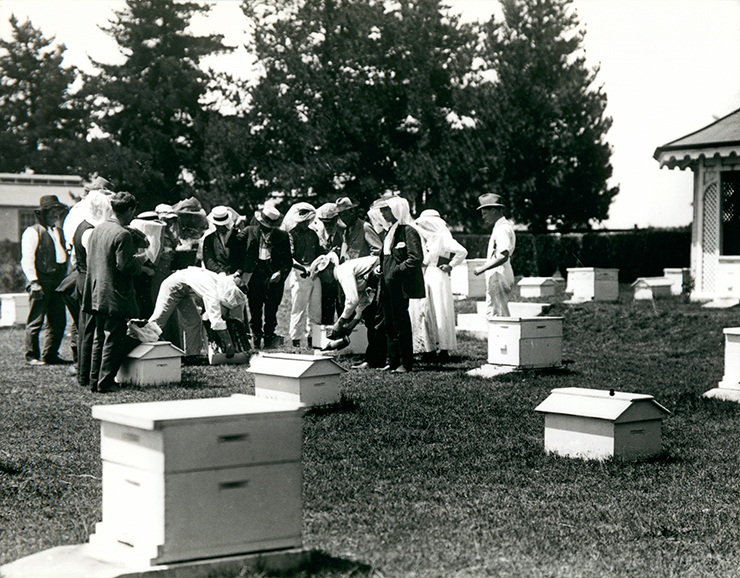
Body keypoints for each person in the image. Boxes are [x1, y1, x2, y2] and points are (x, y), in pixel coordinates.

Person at [82, 192, 153, 392]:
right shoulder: (122, 234)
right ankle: (105, 382)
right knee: (114, 338)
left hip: (96, 292)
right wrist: (142, 262)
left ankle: (94, 381)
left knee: (99, 339)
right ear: (130, 210)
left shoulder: (98, 229)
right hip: (114, 294)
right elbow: (125, 267)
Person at [132, 267, 248, 360]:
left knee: (193, 320)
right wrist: (228, 344)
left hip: (185, 289)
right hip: (173, 285)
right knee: (158, 321)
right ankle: (137, 347)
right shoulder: (213, 292)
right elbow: (216, 320)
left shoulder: (220, 281)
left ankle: (192, 356)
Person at [409, 209, 468, 362]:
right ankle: (430, 348)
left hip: (439, 276)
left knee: (441, 310)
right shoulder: (430, 239)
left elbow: (462, 251)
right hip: (428, 274)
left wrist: (451, 265)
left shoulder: (443, 237)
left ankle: (443, 348)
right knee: (427, 310)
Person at [376, 196, 425, 373]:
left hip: (399, 284)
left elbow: (415, 258)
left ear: (397, 210)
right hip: (387, 282)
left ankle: (406, 362)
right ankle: (393, 359)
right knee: (389, 322)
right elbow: (385, 257)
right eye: (381, 211)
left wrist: (396, 272)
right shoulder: (389, 232)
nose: (382, 214)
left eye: (386, 210)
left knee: (401, 322)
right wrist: (380, 269)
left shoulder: (408, 231)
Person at [20, 195, 70, 366]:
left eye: (57, 212)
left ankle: (50, 354)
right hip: (41, 280)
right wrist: (33, 282)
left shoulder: (58, 232)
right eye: (51, 212)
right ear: (42, 213)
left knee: (58, 320)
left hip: (57, 280)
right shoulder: (32, 232)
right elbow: (27, 259)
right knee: (36, 319)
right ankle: (32, 355)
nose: (54, 215)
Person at [313, 253, 387, 368]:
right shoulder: (343, 273)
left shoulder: (343, 272)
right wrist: (351, 325)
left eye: (320, 276)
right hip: (378, 277)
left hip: (382, 273)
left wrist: (339, 323)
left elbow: (352, 300)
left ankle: (377, 360)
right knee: (372, 319)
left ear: (327, 270)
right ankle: (375, 359)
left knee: (376, 321)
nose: (322, 280)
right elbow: (364, 302)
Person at [240, 205, 292, 349]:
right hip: (255, 274)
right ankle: (256, 341)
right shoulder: (249, 231)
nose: (265, 228)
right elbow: (234, 246)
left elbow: (288, 262)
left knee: (271, 310)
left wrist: (281, 273)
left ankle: (269, 340)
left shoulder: (282, 236)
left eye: (269, 226)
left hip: (272, 274)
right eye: (263, 225)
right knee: (255, 310)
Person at [282, 202, 323, 348]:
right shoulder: (291, 234)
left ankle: (313, 339)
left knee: (315, 309)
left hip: (314, 271)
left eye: (307, 221)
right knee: (298, 309)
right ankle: (296, 340)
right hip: (300, 272)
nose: (305, 224)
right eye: (302, 221)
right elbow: (290, 257)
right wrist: (302, 268)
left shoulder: (313, 234)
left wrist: (319, 263)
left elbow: (318, 252)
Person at [473, 193, 516, 318]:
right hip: (498, 274)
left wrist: (483, 268)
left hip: (499, 274)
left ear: (493, 210)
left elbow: (503, 255)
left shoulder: (502, 229)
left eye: (485, 213)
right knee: (494, 313)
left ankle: (504, 338)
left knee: (498, 316)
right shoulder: (500, 227)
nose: (483, 217)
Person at [336, 197, 382, 262]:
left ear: (353, 212)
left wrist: (365, 266)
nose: (343, 218)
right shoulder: (345, 232)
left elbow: (378, 250)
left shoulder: (365, 227)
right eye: (341, 216)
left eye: (345, 215)